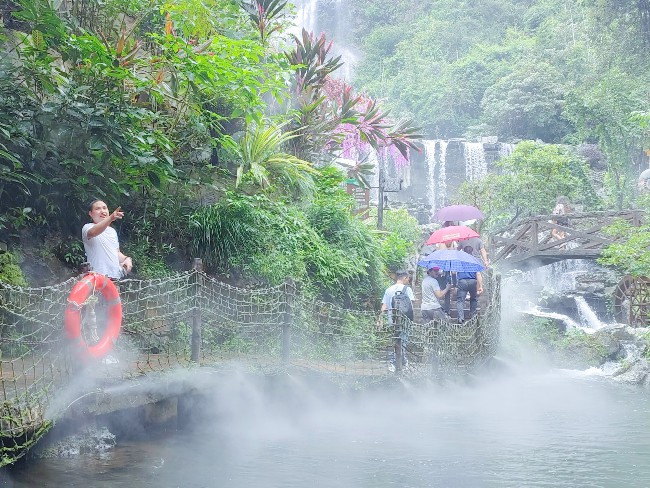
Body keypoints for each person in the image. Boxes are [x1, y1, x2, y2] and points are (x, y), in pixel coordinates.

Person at [82, 199, 133, 279]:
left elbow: (116, 253)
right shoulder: (87, 227)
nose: (102, 211)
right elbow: (93, 232)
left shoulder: (112, 231)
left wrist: (127, 259)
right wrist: (110, 218)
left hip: (115, 278)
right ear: (90, 214)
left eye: (104, 208)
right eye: (97, 209)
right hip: (96, 278)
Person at [381, 270, 414, 371]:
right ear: (404, 278)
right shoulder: (407, 289)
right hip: (404, 320)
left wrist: (380, 319)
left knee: (397, 341)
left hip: (392, 319)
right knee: (403, 341)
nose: (408, 280)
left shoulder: (388, 290)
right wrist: (411, 320)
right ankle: (393, 362)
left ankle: (403, 362)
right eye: (408, 278)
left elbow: (384, 306)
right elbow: (410, 305)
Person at [455, 246, 483, 324]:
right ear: (472, 252)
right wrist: (480, 286)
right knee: (473, 299)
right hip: (472, 281)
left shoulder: (459, 261)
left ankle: (461, 318)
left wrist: (454, 284)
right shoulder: (475, 261)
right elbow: (478, 274)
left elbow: (453, 272)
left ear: (463, 252)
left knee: (460, 300)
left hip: (462, 281)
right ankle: (473, 316)